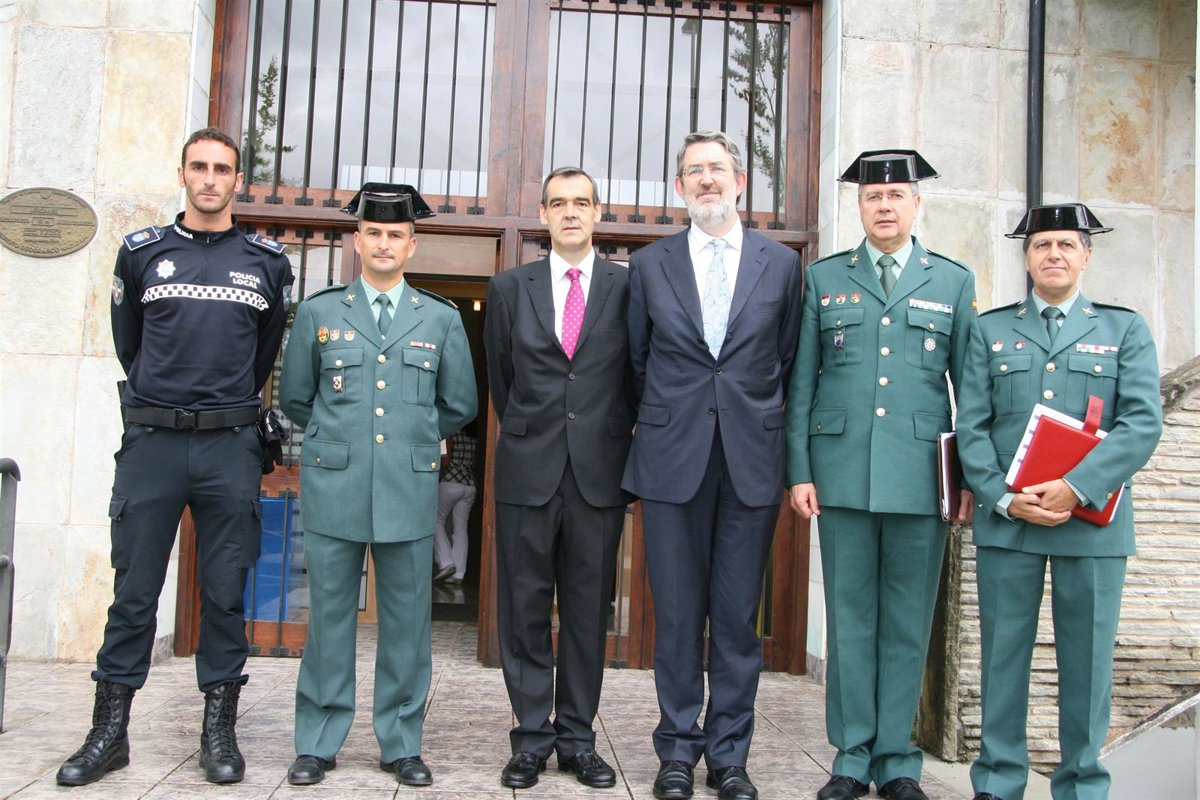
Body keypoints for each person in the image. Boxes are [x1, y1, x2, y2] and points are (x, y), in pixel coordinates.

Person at [55, 127, 294, 787]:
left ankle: (218, 735)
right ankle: (109, 734)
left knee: (224, 592)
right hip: (154, 445)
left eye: (222, 169)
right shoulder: (142, 253)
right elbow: (129, 346)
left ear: (238, 180)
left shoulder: (267, 263)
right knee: (133, 592)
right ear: (183, 173)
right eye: (199, 167)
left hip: (228, 446)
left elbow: (262, 356)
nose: (210, 179)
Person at [785, 151, 976, 800]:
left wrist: (966, 478)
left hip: (922, 479)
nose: (885, 206)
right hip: (841, 475)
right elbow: (803, 382)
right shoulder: (825, 278)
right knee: (850, 618)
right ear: (860, 207)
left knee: (907, 622)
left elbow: (971, 391)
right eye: (873, 197)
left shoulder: (951, 281)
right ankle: (851, 754)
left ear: (916, 205)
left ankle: (897, 759)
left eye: (896, 196)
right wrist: (800, 470)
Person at [955, 204, 1162, 800]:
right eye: (1042, 245)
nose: (1054, 255)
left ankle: (1082, 784)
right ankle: (998, 780)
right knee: (1002, 656)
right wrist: (1001, 497)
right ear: (1026, 257)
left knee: (1088, 661)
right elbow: (972, 425)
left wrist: (1076, 486)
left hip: (1091, 522)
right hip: (1011, 521)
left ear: (1086, 256)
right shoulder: (991, 330)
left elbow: (1142, 423)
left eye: (1067, 244)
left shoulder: (1124, 330)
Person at [278, 183, 477, 788]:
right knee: (329, 619)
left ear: (411, 246)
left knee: (407, 623)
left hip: (407, 489)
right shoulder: (320, 313)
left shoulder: (440, 318)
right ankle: (317, 741)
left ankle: (401, 742)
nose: (384, 243)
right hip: (335, 484)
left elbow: (459, 404)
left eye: (395, 234)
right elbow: (296, 397)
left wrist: (416, 437)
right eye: (373, 233)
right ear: (356, 242)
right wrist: (345, 438)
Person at [623, 132, 802, 800]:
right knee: (675, 618)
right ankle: (676, 751)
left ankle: (729, 757)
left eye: (717, 169)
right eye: (693, 170)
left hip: (751, 462)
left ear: (740, 181)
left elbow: (786, 360)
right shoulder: (650, 265)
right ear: (679, 187)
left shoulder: (782, 266)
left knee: (735, 620)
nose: (706, 179)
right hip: (672, 462)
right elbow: (637, 362)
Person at [484, 166, 635, 790]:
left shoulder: (628, 287)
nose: (570, 212)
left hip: (599, 473)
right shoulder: (508, 288)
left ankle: (577, 739)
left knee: (586, 612)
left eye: (581, 202)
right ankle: (530, 739)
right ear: (543, 215)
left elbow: (636, 374)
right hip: (528, 469)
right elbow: (502, 379)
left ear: (597, 212)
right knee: (522, 608)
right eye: (558, 203)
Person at [434, 422, 478, 583]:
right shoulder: (473, 439)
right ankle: (459, 573)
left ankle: (446, 562)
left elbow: (445, 461)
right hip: (469, 485)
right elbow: (474, 464)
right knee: (461, 528)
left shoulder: (449, 434)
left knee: (435, 521)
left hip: (451, 483)